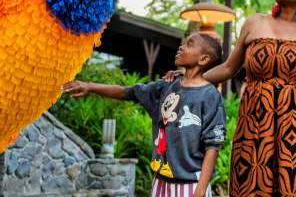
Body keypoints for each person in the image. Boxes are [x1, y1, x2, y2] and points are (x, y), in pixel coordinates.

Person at [189, 0, 296, 197]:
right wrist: (190, 79)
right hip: (256, 123)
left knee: (295, 186)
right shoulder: (254, 23)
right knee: (253, 185)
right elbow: (229, 67)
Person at [62, 33, 226, 197]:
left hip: (191, 186)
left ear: (203, 59)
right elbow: (127, 92)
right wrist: (90, 87)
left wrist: (201, 190)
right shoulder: (166, 86)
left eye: (189, 44)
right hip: (160, 182)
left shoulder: (210, 96)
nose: (181, 47)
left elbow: (212, 145)